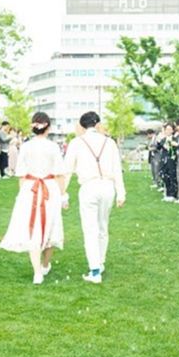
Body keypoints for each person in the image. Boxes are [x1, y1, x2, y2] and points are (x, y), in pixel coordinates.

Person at [0, 112, 66, 285]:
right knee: (51, 225)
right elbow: (60, 173)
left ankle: (38, 272)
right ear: (48, 128)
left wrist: (22, 194)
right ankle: (44, 265)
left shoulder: (26, 146)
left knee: (33, 228)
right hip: (49, 188)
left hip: (30, 189)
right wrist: (63, 195)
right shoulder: (53, 147)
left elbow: (21, 174)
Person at [64, 111, 126, 284]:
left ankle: (95, 269)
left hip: (89, 187)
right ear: (97, 124)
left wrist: (62, 194)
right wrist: (121, 192)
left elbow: (67, 170)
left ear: (82, 125)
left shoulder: (76, 143)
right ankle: (100, 262)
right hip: (107, 186)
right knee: (103, 226)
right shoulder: (109, 142)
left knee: (90, 229)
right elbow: (117, 169)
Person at [158, 123, 178, 202]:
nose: (168, 131)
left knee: (172, 176)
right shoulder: (163, 139)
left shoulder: (175, 139)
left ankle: (173, 194)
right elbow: (158, 147)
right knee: (165, 176)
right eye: (167, 129)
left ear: (173, 130)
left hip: (172, 160)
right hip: (164, 159)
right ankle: (167, 193)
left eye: (170, 129)